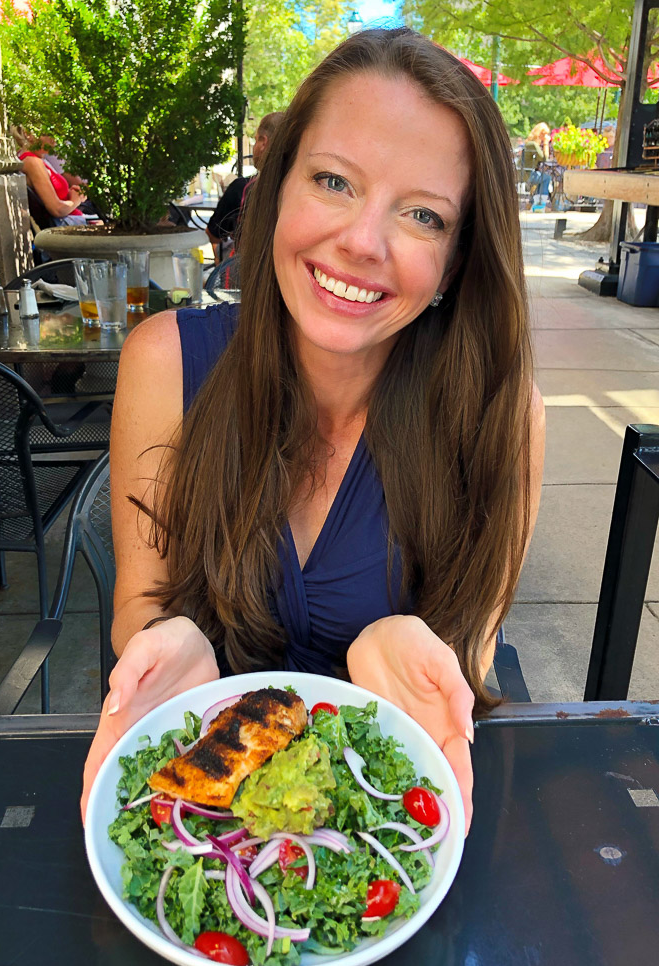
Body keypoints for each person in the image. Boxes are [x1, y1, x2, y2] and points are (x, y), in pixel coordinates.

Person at [81, 28, 545, 830]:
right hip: (198, 804)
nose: (363, 243)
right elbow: (139, 604)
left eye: (423, 216)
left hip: (386, 819)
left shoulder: (503, 412)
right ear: (276, 186)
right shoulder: (164, 361)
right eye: (334, 180)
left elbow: (471, 646)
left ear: (457, 262)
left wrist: (414, 649)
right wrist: (172, 637)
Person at [206, 112, 285, 252]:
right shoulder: (302, 188)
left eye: (256, 140)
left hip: (249, 270)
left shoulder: (243, 189)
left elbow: (213, 235)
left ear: (263, 143)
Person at [13, 128, 88, 227]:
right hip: (65, 227)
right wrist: (76, 200)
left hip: (70, 220)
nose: (54, 139)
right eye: (47, 134)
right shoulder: (33, 162)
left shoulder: (35, 158)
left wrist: (70, 193)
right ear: (28, 134)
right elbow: (57, 209)